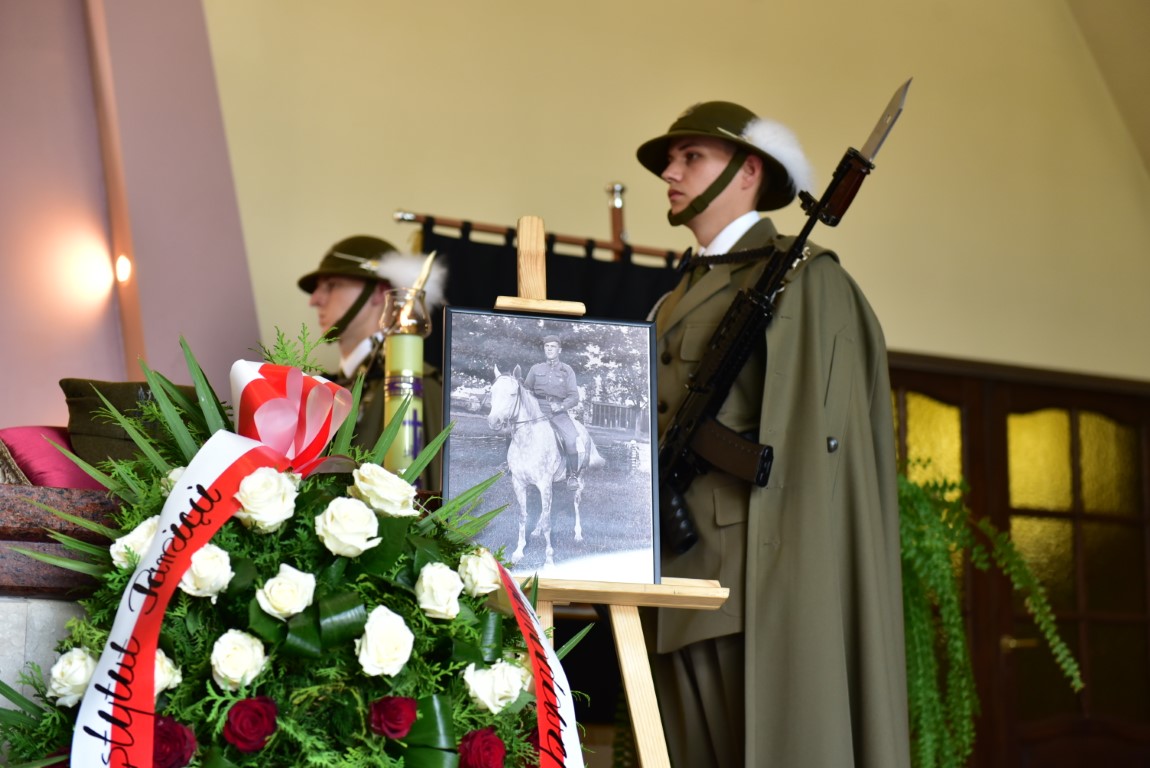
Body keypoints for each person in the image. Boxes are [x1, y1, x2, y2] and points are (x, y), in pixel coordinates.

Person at [637, 101, 910, 767]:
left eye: (691, 156)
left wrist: (797, 594)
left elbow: (816, 455)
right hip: (671, 581)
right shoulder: (674, 298)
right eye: (670, 160)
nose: (670, 172)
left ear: (748, 171)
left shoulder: (805, 279)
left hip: (752, 590)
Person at [297, 235, 446, 485]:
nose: (315, 300)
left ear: (378, 293)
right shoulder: (323, 388)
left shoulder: (419, 384)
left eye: (331, 285)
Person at [523, 335, 582, 488]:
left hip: (558, 411)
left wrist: (561, 406)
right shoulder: (535, 369)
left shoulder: (567, 370)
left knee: (571, 438)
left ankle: (572, 475)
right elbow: (526, 390)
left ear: (559, 350)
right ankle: (509, 464)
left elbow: (574, 396)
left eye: (553, 346)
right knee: (515, 428)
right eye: (547, 346)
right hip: (536, 409)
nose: (549, 349)